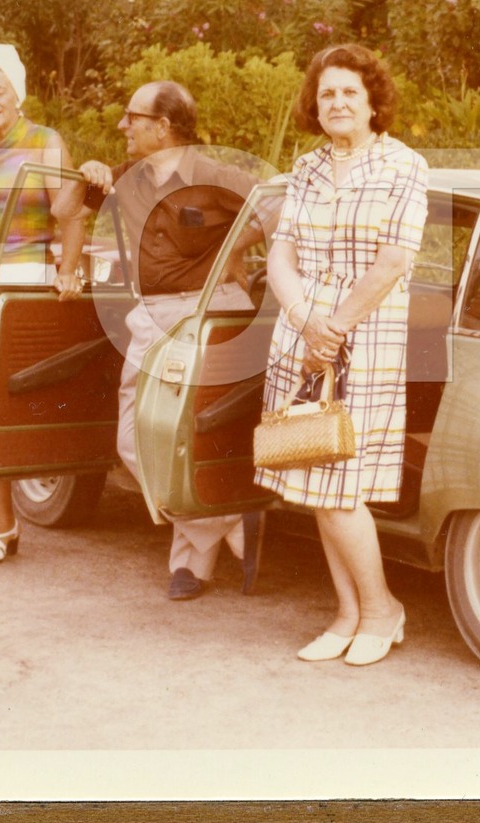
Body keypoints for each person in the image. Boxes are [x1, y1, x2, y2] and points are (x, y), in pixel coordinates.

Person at [254, 43, 428, 666]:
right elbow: (282, 254)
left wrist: (334, 328)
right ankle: (348, 613)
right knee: (312, 473)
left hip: (365, 341)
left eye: (350, 91)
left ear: (373, 100)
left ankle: (382, 609)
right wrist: (304, 319)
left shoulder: (404, 167)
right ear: (314, 104)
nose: (338, 102)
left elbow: (395, 261)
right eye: (327, 93)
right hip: (302, 337)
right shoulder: (305, 169)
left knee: (341, 485)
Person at [61, 81, 267, 601]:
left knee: (186, 435)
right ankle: (228, 523)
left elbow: (278, 210)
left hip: (209, 312)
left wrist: (229, 248)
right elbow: (67, 214)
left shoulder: (214, 175)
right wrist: (86, 175)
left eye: (132, 117)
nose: (122, 126)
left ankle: (191, 566)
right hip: (154, 317)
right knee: (133, 437)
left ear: (164, 127)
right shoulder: (125, 176)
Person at [0, 43, 87, 566]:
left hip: (23, 281)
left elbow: (72, 215)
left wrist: (68, 270)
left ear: (17, 92)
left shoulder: (45, 143)